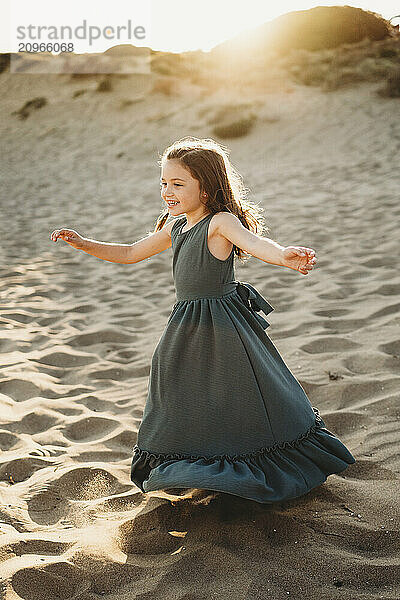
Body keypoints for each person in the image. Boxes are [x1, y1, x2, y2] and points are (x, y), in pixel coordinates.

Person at [50, 136, 355, 504]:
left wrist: (285, 256)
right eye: (164, 183)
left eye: (178, 184)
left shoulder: (220, 222)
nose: (168, 191)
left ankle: (253, 462)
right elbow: (131, 252)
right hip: (186, 322)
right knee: (175, 385)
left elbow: (258, 245)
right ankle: (190, 459)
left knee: (239, 391)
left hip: (224, 322)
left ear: (207, 189)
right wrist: (85, 244)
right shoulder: (175, 226)